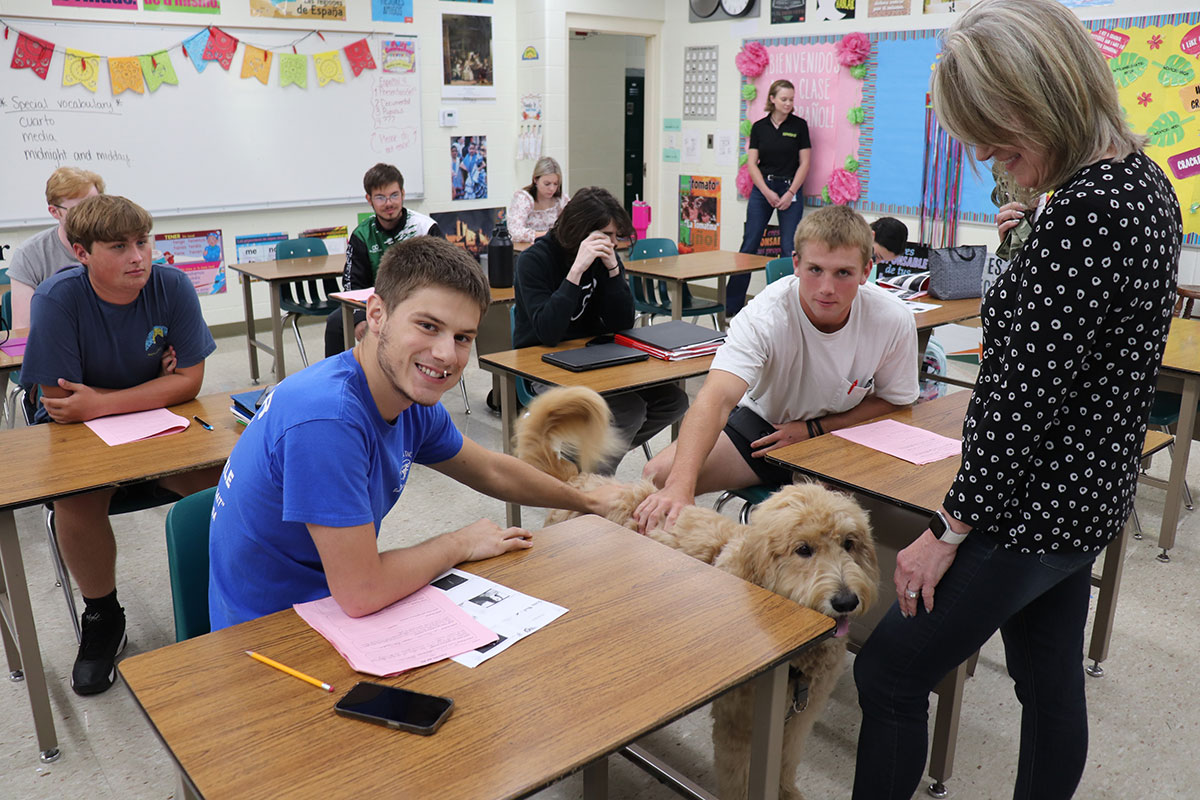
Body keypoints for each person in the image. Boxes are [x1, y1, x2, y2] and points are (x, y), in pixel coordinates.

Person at [850, 2, 1182, 797]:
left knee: (890, 672)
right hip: (1088, 491)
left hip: (1029, 506)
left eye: (999, 139)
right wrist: (1030, 233)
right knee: (1048, 680)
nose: (987, 157)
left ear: (1045, 100)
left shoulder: (1088, 211)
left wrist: (947, 529)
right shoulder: (1139, 181)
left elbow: (1022, 400)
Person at [208, 236, 623, 629]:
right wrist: (460, 542)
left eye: (463, 337)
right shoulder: (328, 419)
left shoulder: (406, 396)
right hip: (272, 631)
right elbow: (362, 591)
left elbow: (491, 470)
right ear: (376, 315)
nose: (446, 354)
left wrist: (587, 501)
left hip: (330, 605)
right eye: (427, 326)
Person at [20, 195, 219, 695]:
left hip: (156, 425)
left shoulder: (171, 285)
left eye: (142, 242)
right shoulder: (57, 299)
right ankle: (103, 614)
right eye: (118, 247)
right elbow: (61, 405)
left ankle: (229, 587)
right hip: (80, 437)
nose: (137, 257)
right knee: (76, 497)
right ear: (82, 253)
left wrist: (102, 401)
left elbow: (190, 381)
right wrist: (156, 387)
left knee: (224, 480)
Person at [634, 204, 918, 533]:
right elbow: (716, 398)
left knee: (891, 517)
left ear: (866, 270)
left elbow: (897, 401)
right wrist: (679, 487)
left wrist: (815, 429)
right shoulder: (765, 315)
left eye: (843, 273)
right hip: (766, 430)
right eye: (815, 270)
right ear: (796, 263)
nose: (827, 287)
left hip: (843, 436)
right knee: (656, 479)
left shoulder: (892, 318)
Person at [513, 186, 689, 474]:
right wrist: (576, 272)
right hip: (544, 366)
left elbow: (623, 324)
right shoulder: (534, 260)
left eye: (616, 236)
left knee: (673, 401)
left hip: (594, 359)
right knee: (628, 411)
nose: (613, 243)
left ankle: (581, 462)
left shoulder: (606, 258)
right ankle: (591, 483)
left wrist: (614, 272)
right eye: (606, 235)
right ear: (580, 231)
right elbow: (547, 332)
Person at [323, 163, 443, 359]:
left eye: (394, 195)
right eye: (380, 197)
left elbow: (444, 275)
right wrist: (359, 318)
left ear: (403, 194)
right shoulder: (362, 235)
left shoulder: (425, 228)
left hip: (420, 301)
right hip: (379, 303)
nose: (389, 203)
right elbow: (353, 284)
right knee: (336, 322)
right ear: (369, 199)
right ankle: (335, 376)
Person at [728, 79, 812, 317]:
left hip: (789, 188)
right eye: (784, 99)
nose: (788, 103)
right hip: (763, 189)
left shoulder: (799, 126)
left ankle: (787, 307)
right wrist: (766, 191)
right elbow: (752, 164)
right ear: (772, 99)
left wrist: (790, 193)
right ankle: (731, 306)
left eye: (791, 99)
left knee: (789, 248)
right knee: (749, 245)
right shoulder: (759, 127)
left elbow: (805, 163)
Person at [7, 166, 105, 329]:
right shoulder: (29, 254)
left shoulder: (117, 246)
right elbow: (24, 329)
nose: (91, 216)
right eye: (79, 209)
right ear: (54, 212)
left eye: (96, 206)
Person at [507, 156, 569, 243]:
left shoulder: (561, 200)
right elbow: (514, 232)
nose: (552, 188)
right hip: (528, 248)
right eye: (547, 184)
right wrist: (547, 235)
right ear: (535, 180)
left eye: (555, 184)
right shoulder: (524, 198)